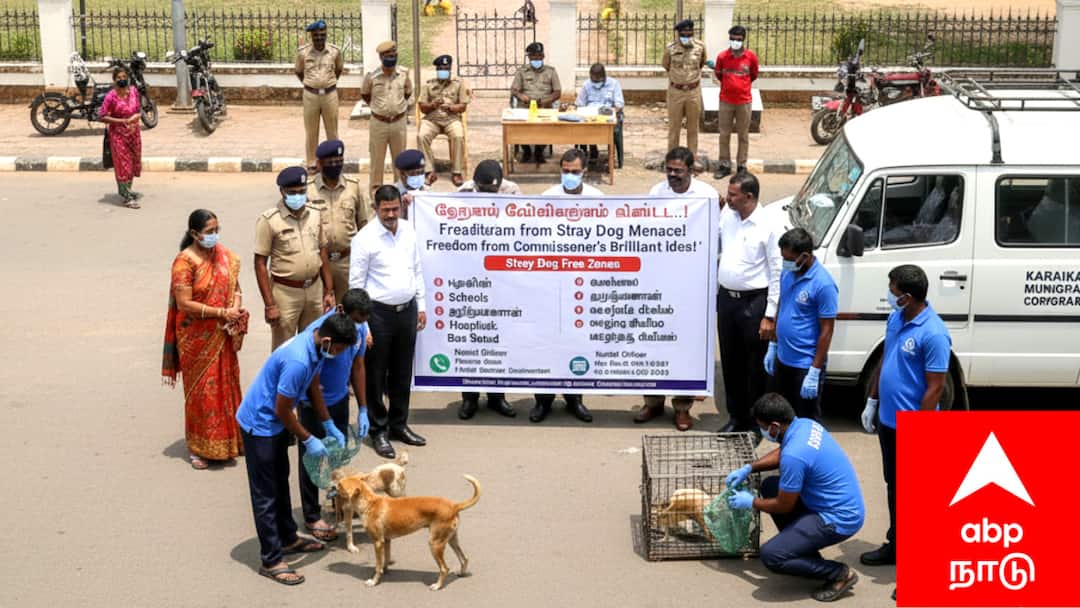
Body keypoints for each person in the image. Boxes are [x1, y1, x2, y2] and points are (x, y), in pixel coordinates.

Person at [235, 313, 357, 586]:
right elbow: (282, 409)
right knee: (265, 494)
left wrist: (327, 423)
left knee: (280, 482)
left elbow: (313, 385)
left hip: (276, 424)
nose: (337, 356)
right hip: (260, 425)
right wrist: (308, 439)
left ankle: (288, 538)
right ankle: (271, 559)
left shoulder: (315, 344)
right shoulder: (298, 360)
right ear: (327, 340)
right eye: (337, 349)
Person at [725, 393, 863, 602]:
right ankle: (801, 549)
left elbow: (783, 505)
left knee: (772, 555)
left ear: (773, 426)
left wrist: (750, 502)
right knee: (770, 485)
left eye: (762, 427)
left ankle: (839, 573)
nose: (763, 432)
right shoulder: (805, 425)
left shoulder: (795, 456)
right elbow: (783, 452)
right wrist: (749, 467)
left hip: (839, 519)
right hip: (834, 503)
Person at [859, 264, 951, 572]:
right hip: (888, 423)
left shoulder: (934, 333)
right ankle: (897, 544)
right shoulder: (896, 318)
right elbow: (887, 358)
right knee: (894, 487)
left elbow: (936, 388)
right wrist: (872, 400)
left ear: (907, 297)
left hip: (914, 427)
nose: (889, 295)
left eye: (893, 291)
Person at [636, 147, 720, 431]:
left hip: (692, 285)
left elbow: (716, 237)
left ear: (691, 171)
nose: (672, 176)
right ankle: (652, 402)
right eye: (668, 170)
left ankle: (682, 408)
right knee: (654, 343)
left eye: (678, 171)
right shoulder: (656, 193)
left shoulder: (706, 196)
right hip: (659, 280)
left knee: (685, 345)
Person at [163, 209, 249, 470]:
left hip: (222, 333)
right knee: (202, 392)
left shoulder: (224, 256)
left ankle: (229, 441)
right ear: (194, 234)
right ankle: (199, 448)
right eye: (209, 232)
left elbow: (235, 287)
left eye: (216, 230)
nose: (214, 236)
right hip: (196, 339)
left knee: (227, 384)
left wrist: (234, 308)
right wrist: (221, 312)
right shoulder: (184, 262)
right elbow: (184, 303)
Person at [349, 186, 428, 459]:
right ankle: (378, 430)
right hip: (377, 315)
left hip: (407, 311)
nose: (392, 214)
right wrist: (364, 326)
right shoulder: (364, 239)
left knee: (402, 372)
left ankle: (399, 424)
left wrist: (422, 305)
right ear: (376, 208)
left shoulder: (408, 231)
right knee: (375, 374)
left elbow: (416, 268)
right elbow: (356, 286)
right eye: (386, 210)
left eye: (395, 209)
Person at [530, 148, 599, 424]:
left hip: (582, 282)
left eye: (574, 172)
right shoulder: (548, 198)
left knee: (576, 342)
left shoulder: (598, 199)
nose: (569, 176)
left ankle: (575, 399)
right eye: (565, 171)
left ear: (585, 171)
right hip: (550, 282)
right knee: (547, 342)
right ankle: (543, 401)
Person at [296, 289, 371, 542]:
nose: (360, 326)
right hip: (313, 404)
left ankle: (335, 504)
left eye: (362, 322)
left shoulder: (357, 328)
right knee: (312, 460)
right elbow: (312, 383)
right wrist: (325, 421)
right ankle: (311, 515)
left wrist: (363, 408)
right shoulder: (320, 335)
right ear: (341, 311)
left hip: (339, 400)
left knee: (337, 456)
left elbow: (358, 367)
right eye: (357, 320)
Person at [717, 170, 783, 436]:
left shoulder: (769, 225)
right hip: (727, 301)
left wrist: (770, 314)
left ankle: (757, 424)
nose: (728, 199)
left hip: (754, 303)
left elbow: (777, 271)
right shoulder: (728, 215)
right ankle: (736, 418)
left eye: (733, 195)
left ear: (749, 197)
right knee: (730, 362)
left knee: (754, 367)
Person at [254, 167, 335, 351]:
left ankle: (310, 381)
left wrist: (328, 291)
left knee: (314, 345)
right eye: (293, 193)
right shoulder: (269, 221)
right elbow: (260, 264)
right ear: (282, 191)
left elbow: (322, 252)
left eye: (302, 191)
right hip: (286, 293)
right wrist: (269, 305)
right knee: (284, 349)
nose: (298, 196)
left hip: (314, 289)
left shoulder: (315, 213)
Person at [765, 227, 837, 421]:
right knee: (783, 420)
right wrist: (773, 344)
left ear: (804, 256)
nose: (785, 263)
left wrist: (814, 371)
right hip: (783, 360)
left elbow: (827, 330)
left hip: (804, 366)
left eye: (788, 259)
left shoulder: (824, 284)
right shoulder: (787, 274)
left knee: (806, 421)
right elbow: (782, 304)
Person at [307, 139, 368, 306]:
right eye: (330, 162)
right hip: (317, 263)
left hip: (346, 262)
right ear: (319, 164)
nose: (335, 165)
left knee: (348, 313)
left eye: (339, 161)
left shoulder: (354, 187)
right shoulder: (308, 190)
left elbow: (364, 225)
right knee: (319, 316)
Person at [361, 40, 412, 192]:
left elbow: (408, 92)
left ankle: (400, 192)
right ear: (381, 57)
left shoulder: (404, 73)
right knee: (377, 161)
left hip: (398, 123)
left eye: (393, 54)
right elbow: (365, 94)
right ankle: (375, 193)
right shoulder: (372, 76)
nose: (391, 57)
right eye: (388, 55)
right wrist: (380, 109)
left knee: (400, 160)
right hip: (379, 123)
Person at [294, 19, 343, 172]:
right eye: (316, 35)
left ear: (326, 34)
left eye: (322, 35)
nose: (319, 38)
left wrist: (326, 83)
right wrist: (312, 84)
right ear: (311, 36)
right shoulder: (303, 53)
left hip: (330, 94)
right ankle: (312, 163)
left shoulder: (335, 52)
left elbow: (339, 70)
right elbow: (298, 71)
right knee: (311, 131)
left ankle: (333, 161)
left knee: (332, 131)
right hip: (310, 95)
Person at [418, 54, 471, 187]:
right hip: (432, 119)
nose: (444, 70)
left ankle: (457, 172)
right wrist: (432, 105)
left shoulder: (458, 84)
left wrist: (452, 107)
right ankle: (429, 171)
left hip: (451, 119)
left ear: (450, 69)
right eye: (441, 68)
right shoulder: (428, 85)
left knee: (458, 135)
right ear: (437, 70)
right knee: (422, 135)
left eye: (446, 68)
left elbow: (463, 106)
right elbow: (422, 107)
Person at [712, 24, 758, 178]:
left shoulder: (750, 57)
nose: (735, 42)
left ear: (743, 40)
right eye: (732, 39)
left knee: (743, 135)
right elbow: (719, 75)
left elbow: (753, 75)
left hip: (744, 102)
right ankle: (724, 164)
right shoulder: (722, 57)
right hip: (726, 101)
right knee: (724, 134)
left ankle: (741, 166)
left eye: (738, 39)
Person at [99, 65, 143, 208]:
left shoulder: (134, 92)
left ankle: (127, 190)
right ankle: (126, 196)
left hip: (134, 133)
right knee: (123, 164)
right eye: (119, 78)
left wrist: (134, 118)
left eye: (124, 77)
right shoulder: (110, 96)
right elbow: (102, 116)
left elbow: (138, 110)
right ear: (114, 80)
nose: (122, 80)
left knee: (133, 161)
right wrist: (122, 121)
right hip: (118, 135)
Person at [510, 41, 561, 164]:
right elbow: (514, 90)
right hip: (525, 106)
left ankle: (539, 150)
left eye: (538, 56)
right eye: (533, 56)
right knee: (519, 126)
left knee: (548, 126)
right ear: (529, 57)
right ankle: (526, 150)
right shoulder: (522, 71)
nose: (536, 59)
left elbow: (557, 92)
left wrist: (544, 101)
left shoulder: (551, 71)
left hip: (544, 107)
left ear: (543, 56)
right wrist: (521, 96)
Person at [662, 19, 707, 157]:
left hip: (693, 91)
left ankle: (691, 158)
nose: (686, 37)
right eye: (683, 34)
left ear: (692, 32)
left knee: (693, 128)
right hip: (676, 91)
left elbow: (701, 63)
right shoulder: (670, 48)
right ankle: (672, 157)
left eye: (689, 34)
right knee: (674, 128)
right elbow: (666, 65)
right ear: (678, 33)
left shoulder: (700, 47)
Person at [575, 63, 624, 164]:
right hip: (590, 116)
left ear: (604, 76)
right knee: (582, 126)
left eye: (598, 80)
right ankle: (592, 149)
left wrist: (611, 111)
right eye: (593, 80)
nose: (595, 83)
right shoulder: (587, 84)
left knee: (610, 127)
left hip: (607, 115)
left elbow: (619, 104)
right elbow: (579, 103)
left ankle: (611, 155)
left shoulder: (614, 84)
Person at [393, 149, 429, 220]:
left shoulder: (427, 191)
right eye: (413, 174)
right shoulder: (391, 194)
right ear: (402, 174)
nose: (419, 176)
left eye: (421, 172)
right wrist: (403, 209)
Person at [458, 159, 522, 194]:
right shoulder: (466, 188)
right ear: (476, 183)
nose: (487, 193)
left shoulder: (511, 189)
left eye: (491, 189)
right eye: (483, 189)